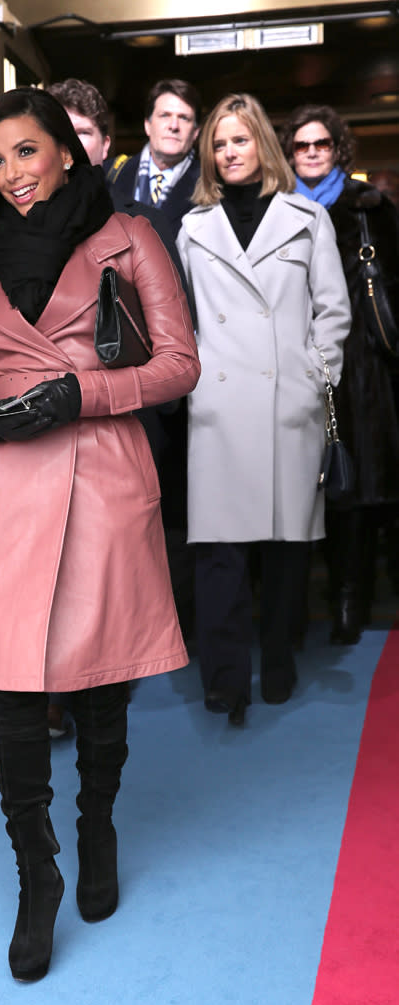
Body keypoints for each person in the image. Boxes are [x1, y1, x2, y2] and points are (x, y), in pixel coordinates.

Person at [0, 87, 199, 981]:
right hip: (10, 488)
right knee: (12, 688)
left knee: (98, 678)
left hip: (101, 471)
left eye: (28, 151)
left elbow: (178, 364)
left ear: (66, 151)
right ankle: (36, 876)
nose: (13, 173)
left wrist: (79, 393)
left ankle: (96, 828)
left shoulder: (129, 236)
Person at [177, 93, 350, 725]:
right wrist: (192, 376)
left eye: (239, 140)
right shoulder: (194, 227)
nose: (228, 153)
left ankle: (278, 660)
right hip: (218, 401)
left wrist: (312, 376)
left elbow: (332, 311)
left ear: (262, 146)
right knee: (219, 554)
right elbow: (183, 319)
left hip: (287, 403)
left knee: (284, 550)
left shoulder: (308, 218)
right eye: (218, 144)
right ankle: (224, 680)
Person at [45, 77, 191, 737]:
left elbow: (175, 351)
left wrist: (105, 394)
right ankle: (51, 694)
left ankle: (100, 699)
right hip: (36, 437)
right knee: (47, 571)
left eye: (80, 135)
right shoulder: (0, 236)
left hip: (121, 426)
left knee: (107, 578)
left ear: (104, 148)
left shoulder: (142, 228)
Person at [279, 105, 399, 644]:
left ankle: (352, 595)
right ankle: (302, 601)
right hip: (292, 359)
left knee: (358, 483)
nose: (311, 153)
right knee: (306, 484)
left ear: (337, 149)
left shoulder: (368, 206)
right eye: (301, 146)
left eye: (320, 144)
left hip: (362, 366)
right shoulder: (273, 209)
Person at [105, 78, 202, 240]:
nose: (174, 126)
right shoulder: (110, 173)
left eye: (184, 118)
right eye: (165, 115)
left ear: (196, 132)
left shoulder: (210, 184)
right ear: (147, 125)